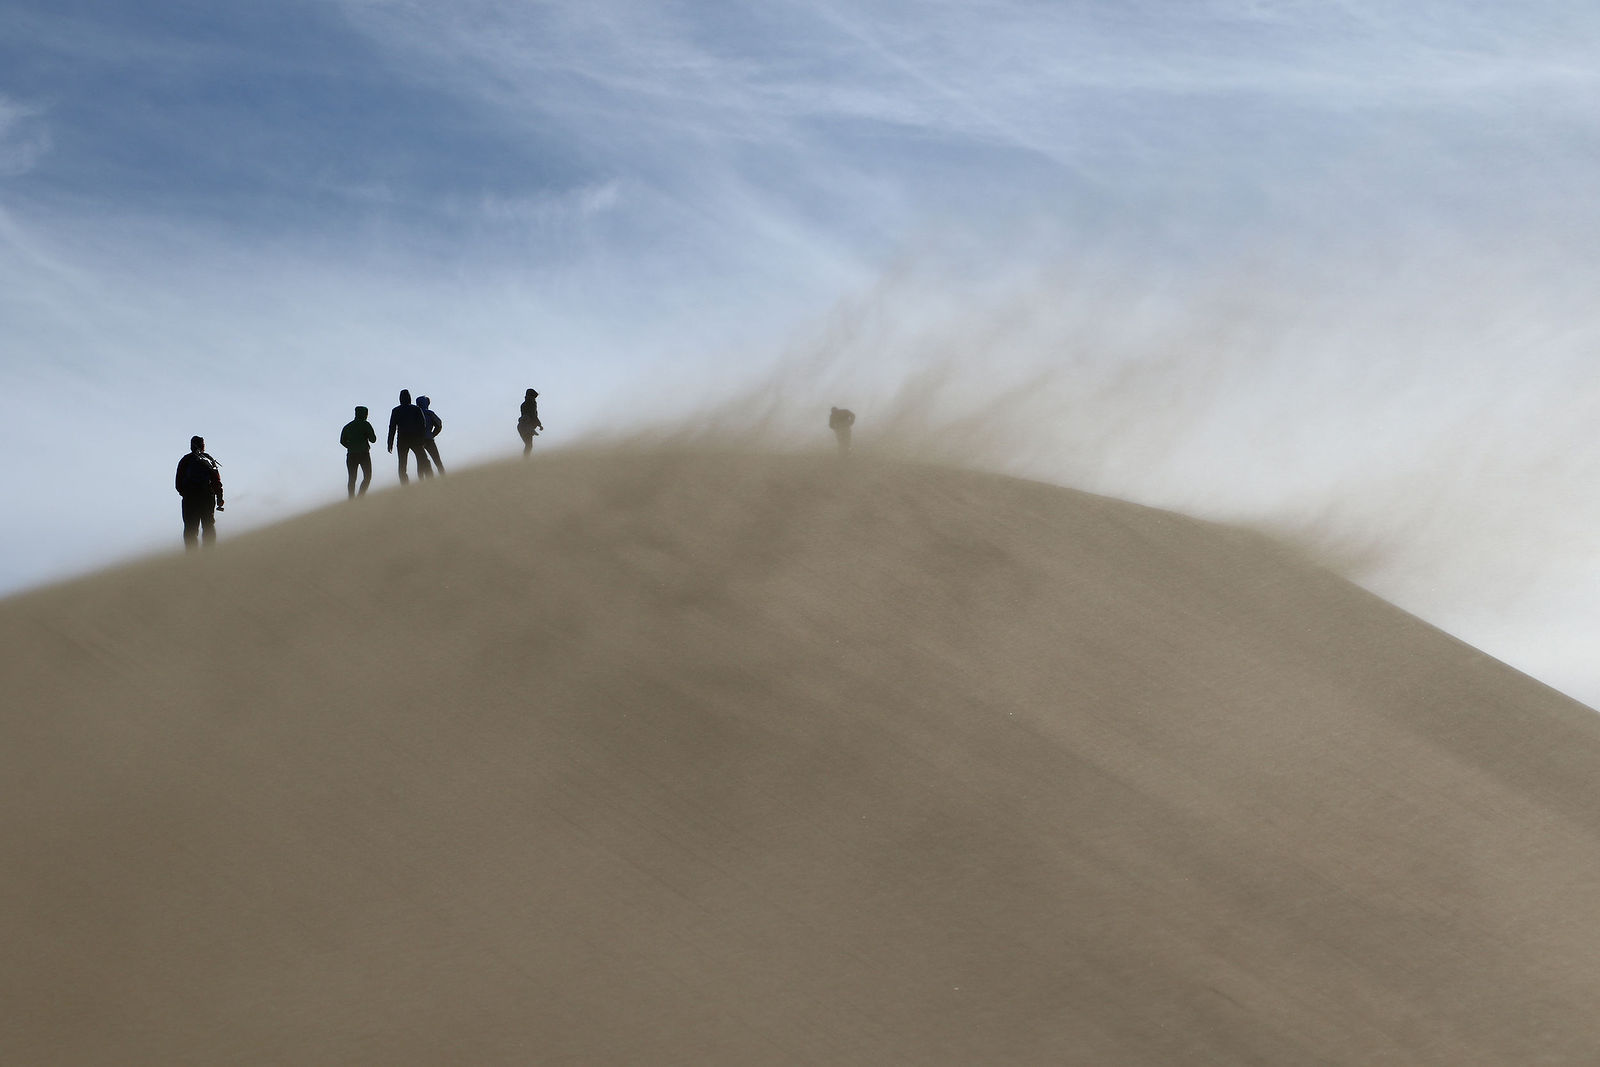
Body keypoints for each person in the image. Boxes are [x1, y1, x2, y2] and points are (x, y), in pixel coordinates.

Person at [175, 435, 224, 550]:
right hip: (207, 497)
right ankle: (209, 554)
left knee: (190, 529)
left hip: (190, 500)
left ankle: (192, 557)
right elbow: (216, 480)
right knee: (208, 526)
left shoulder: (185, 460)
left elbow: (178, 484)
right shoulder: (208, 459)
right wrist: (219, 498)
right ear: (202, 445)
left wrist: (186, 494)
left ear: (191, 446)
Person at [387, 389, 433, 484]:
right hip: (415, 439)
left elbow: (392, 428)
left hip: (402, 440)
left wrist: (389, 443)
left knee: (402, 465)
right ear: (409, 398)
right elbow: (422, 424)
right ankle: (431, 482)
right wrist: (422, 438)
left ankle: (405, 486)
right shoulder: (415, 409)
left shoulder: (396, 410)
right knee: (424, 460)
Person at [340, 405, 377, 498]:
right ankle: (360, 496)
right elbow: (373, 439)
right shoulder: (366, 424)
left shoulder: (347, 426)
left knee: (352, 479)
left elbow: (342, 441)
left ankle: (351, 499)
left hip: (351, 454)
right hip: (364, 454)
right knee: (367, 476)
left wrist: (351, 446)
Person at [416, 395, 446, 475]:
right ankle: (444, 477)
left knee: (420, 462)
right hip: (429, 439)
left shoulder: (414, 414)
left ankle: (421, 482)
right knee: (437, 461)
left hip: (418, 441)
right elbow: (439, 424)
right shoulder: (429, 413)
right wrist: (432, 434)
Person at [518, 388, 543, 457]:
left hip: (522, 426)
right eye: (534, 397)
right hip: (526, 426)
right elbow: (533, 415)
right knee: (529, 445)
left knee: (528, 445)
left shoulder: (523, 404)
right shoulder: (531, 403)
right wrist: (539, 425)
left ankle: (526, 460)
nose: (534, 399)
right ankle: (526, 461)